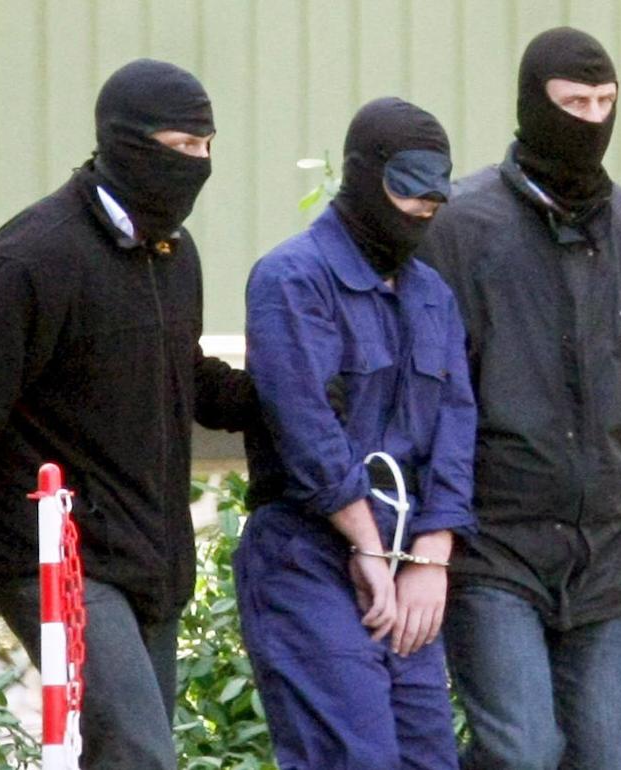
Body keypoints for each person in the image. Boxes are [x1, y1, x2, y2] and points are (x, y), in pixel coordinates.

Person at [0, 59, 256, 769]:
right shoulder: (31, 259)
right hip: (54, 557)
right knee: (139, 756)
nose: (197, 163)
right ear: (124, 142)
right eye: (180, 145)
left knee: (137, 756)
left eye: (206, 146)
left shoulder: (173, 254)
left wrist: (288, 397)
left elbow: (181, 374)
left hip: (150, 561)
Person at [418, 27, 621, 770]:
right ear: (532, 105)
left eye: (606, 103)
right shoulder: (461, 231)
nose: (592, 120)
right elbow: (419, 397)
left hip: (603, 557)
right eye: (574, 104)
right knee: (522, 753)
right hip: (492, 548)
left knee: (605, 758)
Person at [236, 97, 476, 770]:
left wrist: (431, 556)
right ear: (364, 176)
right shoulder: (292, 278)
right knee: (351, 755)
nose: (425, 207)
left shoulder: (433, 294)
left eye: (436, 191)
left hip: (407, 558)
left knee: (428, 757)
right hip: (307, 553)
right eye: (408, 187)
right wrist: (366, 545)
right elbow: (307, 427)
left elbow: (456, 426)